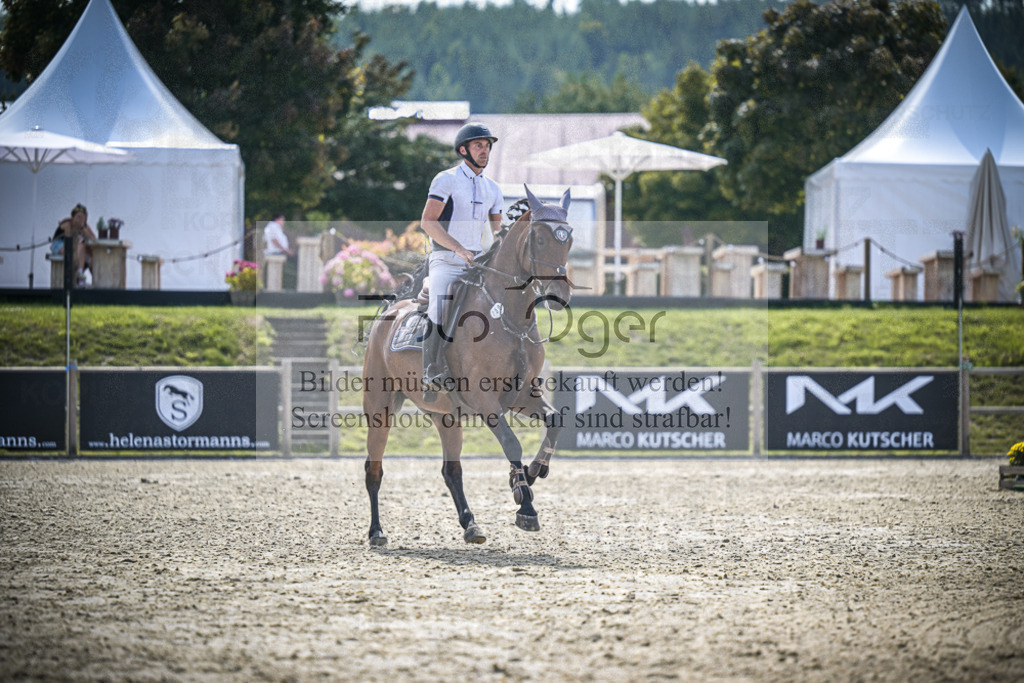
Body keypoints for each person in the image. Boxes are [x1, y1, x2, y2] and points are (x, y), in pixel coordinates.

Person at [418, 122, 504, 401]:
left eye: (487, 145)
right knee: (440, 304)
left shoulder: (493, 188)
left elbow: (497, 233)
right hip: (445, 259)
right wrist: (457, 248)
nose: (485, 150)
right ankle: (431, 371)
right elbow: (428, 222)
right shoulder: (447, 179)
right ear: (463, 149)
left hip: (476, 264)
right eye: (479, 145)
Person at [50, 204, 96, 286]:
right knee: (82, 246)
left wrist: (83, 229)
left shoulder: (84, 226)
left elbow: (93, 240)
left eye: (83, 217)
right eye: (78, 216)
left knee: (91, 254)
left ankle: (97, 280)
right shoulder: (67, 224)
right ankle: (80, 276)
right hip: (60, 245)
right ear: (73, 217)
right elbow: (69, 241)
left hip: (76, 248)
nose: (80, 219)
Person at [263, 213, 296, 289]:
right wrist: (286, 250)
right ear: (277, 219)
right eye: (282, 220)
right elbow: (274, 240)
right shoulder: (273, 226)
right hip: (275, 252)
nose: (283, 222)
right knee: (296, 260)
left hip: (280, 252)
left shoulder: (276, 227)